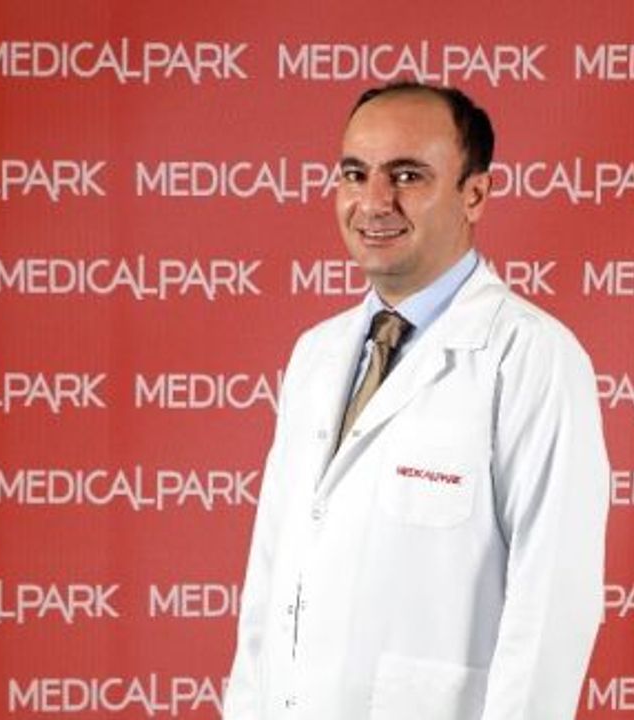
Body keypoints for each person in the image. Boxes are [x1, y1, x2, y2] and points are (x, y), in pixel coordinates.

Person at [223, 81, 610, 720]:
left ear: (474, 194)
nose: (375, 201)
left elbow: (552, 606)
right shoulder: (316, 355)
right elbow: (269, 579)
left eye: (407, 175)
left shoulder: (530, 357)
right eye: (355, 174)